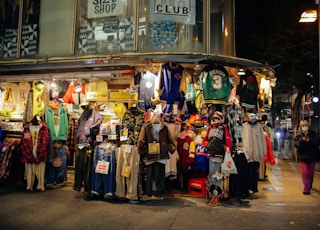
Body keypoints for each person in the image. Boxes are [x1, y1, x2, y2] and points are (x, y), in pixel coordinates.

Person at [294, 120, 320, 195]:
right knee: (305, 173)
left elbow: (317, 142)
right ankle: (306, 188)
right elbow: (297, 145)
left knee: (311, 173)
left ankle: (310, 184)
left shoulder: (313, 134)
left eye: (305, 125)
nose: (304, 127)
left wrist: (310, 140)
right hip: (303, 157)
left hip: (312, 157)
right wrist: (302, 140)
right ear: (300, 127)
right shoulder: (299, 135)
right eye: (303, 126)